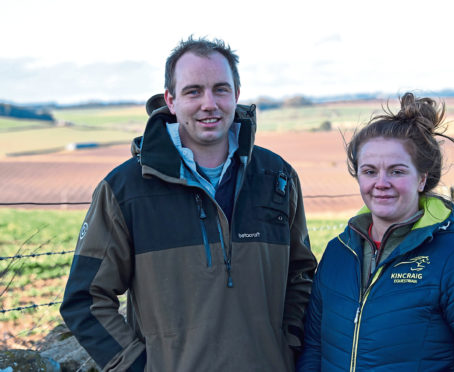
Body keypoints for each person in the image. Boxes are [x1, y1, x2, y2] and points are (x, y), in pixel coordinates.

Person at [60, 36, 317, 372]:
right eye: (193, 91)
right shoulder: (125, 190)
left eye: (220, 89)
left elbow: (301, 276)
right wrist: (137, 367)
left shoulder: (277, 177)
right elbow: (85, 300)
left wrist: (289, 344)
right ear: (171, 100)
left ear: (236, 95)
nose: (209, 103)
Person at [297, 92, 454, 371]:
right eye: (369, 171)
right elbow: (315, 349)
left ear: (422, 178)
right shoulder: (338, 253)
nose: (381, 183)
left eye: (396, 171)